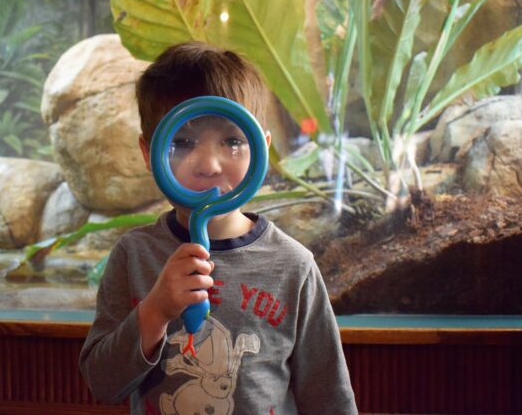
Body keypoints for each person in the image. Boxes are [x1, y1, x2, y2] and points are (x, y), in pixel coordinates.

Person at [79, 42, 357, 414]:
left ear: (261, 148)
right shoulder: (134, 256)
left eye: (232, 141)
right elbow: (103, 382)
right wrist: (156, 310)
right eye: (182, 142)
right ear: (150, 153)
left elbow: (329, 399)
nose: (209, 164)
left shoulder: (294, 266)